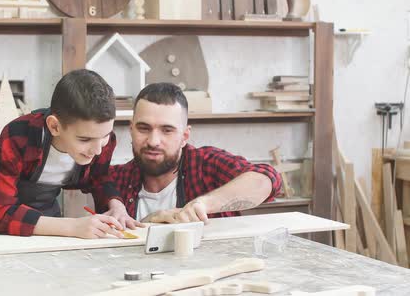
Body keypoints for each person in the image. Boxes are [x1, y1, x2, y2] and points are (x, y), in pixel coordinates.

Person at [0, 69, 140, 238]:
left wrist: (116, 205)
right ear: (54, 126)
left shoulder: (100, 138)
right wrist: (73, 227)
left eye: (105, 136)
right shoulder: (18, 137)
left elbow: (99, 177)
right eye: (84, 140)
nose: (98, 149)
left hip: (45, 213)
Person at [111, 83, 282, 223]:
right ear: (131, 129)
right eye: (143, 128)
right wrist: (149, 222)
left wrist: (203, 203)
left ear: (185, 136)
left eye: (167, 130)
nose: (153, 141)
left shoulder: (206, 165)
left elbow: (267, 179)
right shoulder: (114, 180)